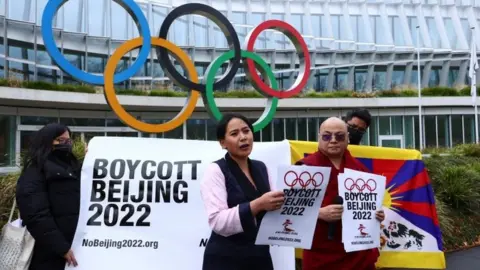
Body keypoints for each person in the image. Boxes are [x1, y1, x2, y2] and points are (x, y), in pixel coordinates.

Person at [296, 117, 385, 270]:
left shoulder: (360, 170)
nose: (333, 140)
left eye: (339, 136)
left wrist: (376, 215)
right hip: (321, 252)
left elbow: (368, 206)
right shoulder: (305, 168)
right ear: (319, 138)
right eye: (326, 136)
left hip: (358, 253)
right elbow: (289, 211)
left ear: (348, 138)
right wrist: (318, 213)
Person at [200, 113, 285, 270]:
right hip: (226, 259)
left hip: (260, 256)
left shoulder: (261, 168)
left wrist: (314, 212)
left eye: (246, 131)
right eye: (234, 134)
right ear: (222, 143)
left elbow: (275, 207)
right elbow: (217, 221)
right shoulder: (216, 170)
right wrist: (257, 205)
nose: (243, 137)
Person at [16, 123, 82, 270]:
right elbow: (36, 215)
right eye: (60, 139)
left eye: (68, 140)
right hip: (50, 254)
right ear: (46, 141)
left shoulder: (73, 168)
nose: (66, 143)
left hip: (75, 250)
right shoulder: (34, 173)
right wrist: (61, 247)